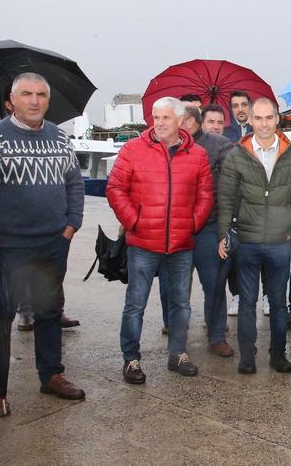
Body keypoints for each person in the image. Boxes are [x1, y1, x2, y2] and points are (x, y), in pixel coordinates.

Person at [0, 72, 86, 417]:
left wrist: (71, 224)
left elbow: (74, 184)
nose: (35, 101)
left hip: (52, 244)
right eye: (27, 94)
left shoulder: (59, 138)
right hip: (7, 248)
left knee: (48, 312)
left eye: (41, 95)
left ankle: (51, 374)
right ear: (11, 101)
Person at [107, 98, 214, 383]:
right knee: (136, 304)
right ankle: (131, 359)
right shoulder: (133, 150)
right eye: (156, 117)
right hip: (143, 243)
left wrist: (192, 223)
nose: (160, 122)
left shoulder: (198, 154)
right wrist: (134, 221)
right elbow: (116, 188)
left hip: (180, 244)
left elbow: (205, 195)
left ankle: (177, 353)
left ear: (181, 121)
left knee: (181, 303)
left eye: (167, 117)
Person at [218, 98, 291, 375]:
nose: (265, 124)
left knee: (279, 303)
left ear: (277, 119)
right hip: (247, 240)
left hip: (280, 242)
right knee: (247, 302)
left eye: (269, 118)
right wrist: (223, 234)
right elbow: (227, 197)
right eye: (259, 118)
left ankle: (278, 354)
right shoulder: (236, 155)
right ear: (251, 121)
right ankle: (247, 356)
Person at [180, 104, 236, 357]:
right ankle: (176, 333)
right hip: (176, 226)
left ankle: (216, 336)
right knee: (175, 284)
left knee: (213, 283)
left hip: (208, 225)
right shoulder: (164, 145)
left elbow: (232, 181)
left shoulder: (219, 145)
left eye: (177, 120)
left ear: (191, 122)